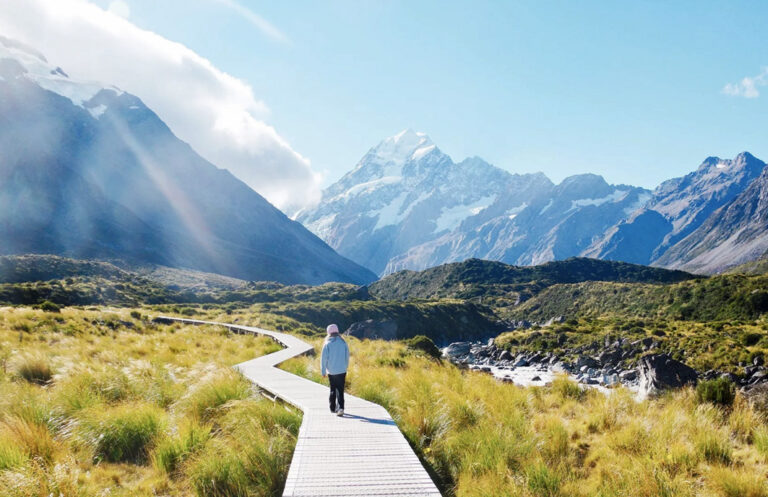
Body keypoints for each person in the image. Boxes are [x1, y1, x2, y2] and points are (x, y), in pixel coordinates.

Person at [321, 323, 349, 416]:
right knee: (340, 390)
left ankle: (333, 408)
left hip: (332, 371)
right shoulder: (343, 342)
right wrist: (345, 367)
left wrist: (323, 371)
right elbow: (347, 356)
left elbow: (323, 358)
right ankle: (341, 408)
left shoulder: (327, 343)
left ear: (328, 332)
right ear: (337, 331)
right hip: (342, 370)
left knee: (333, 389)